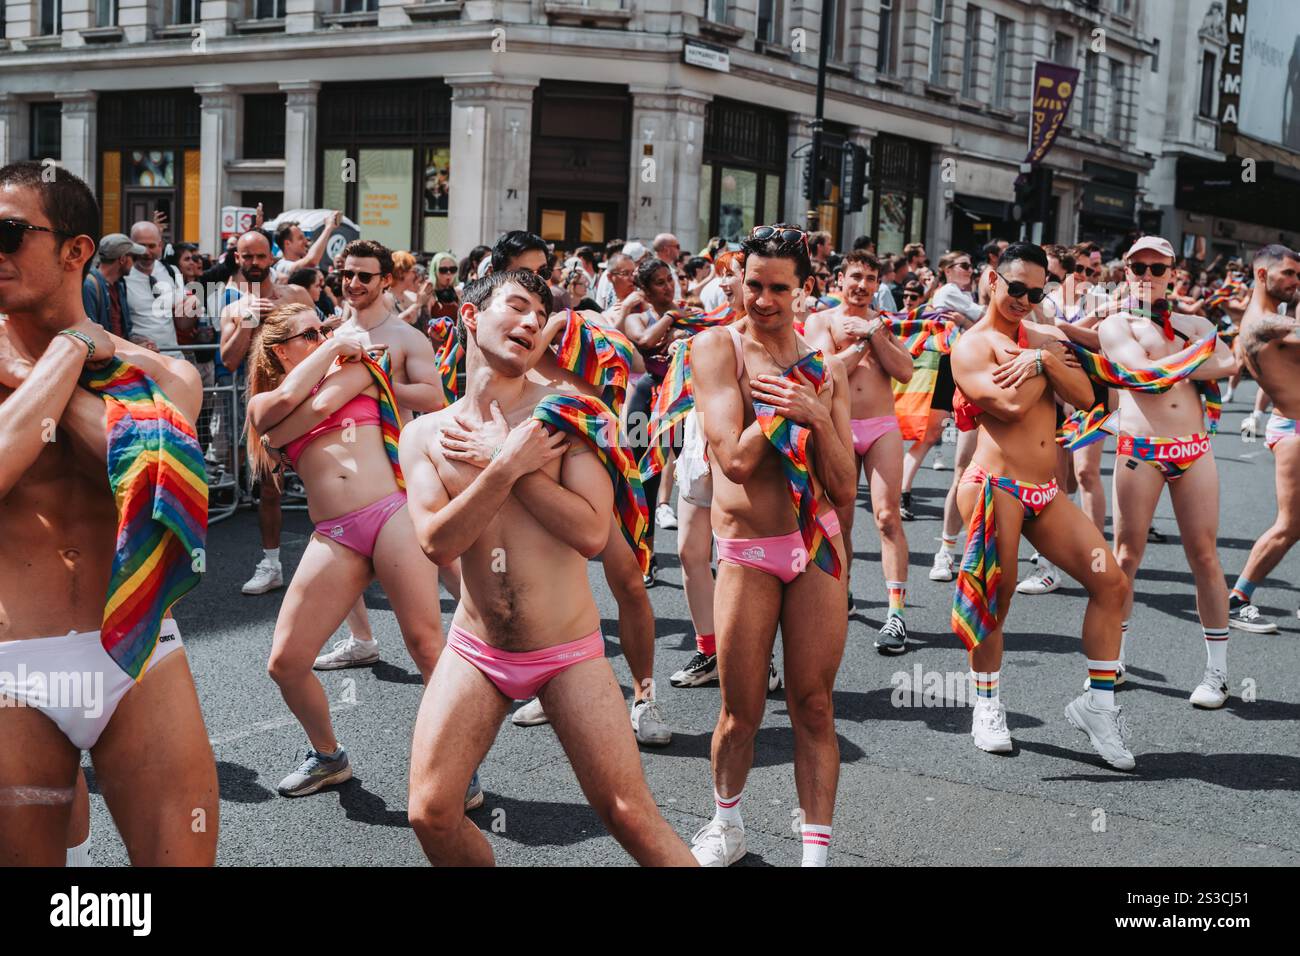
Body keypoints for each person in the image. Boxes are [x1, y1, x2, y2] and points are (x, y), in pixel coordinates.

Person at [399, 270, 696, 866]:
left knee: (629, 814)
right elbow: (436, 542)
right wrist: (504, 467)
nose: (532, 322)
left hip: (568, 652)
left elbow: (590, 532)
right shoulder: (425, 433)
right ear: (469, 315)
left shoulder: (570, 413)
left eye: (541, 314)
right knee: (430, 814)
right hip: (476, 649)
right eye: (516, 307)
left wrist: (513, 463)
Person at [0, 160, 218, 865]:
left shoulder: (160, 372)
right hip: (13, 667)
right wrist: (66, 361)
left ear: (77, 250)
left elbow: (150, 473)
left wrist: (51, 372)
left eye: (9, 234)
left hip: (138, 655)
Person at [689, 224, 856, 866]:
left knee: (814, 705)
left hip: (815, 543)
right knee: (742, 710)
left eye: (777, 288)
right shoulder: (716, 348)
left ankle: (814, 857)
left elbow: (842, 487)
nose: (761, 299)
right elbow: (731, 460)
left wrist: (816, 413)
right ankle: (726, 823)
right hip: (749, 552)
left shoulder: (826, 371)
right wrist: (783, 411)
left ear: (804, 290)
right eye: (751, 283)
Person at [245, 304, 445, 796]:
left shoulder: (358, 368)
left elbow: (296, 418)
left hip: (390, 513)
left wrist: (291, 417)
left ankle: (454, 765)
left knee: (426, 647)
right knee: (286, 663)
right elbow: (275, 416)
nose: (324, 336)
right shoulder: (269, 397)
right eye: (309, 334)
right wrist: (333, 347)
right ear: (278, 350)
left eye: (323, 330)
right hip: (335, 533)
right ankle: (328, 757)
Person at [948, 241, 1134, 768]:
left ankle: (1097, 706)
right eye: (1017, 289)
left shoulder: (1043, 338)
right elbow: (1004, 407)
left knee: (1111, 582)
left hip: (1044, 492)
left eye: (1037, 291)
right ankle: (987, 705)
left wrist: (1042, 356)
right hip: (993, 486)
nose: (1025, 300)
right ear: (991, 279)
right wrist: (1043, 362)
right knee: (998, 595)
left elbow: (1085, 396)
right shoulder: (972, 345)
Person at [1099, 236, 1236, 706]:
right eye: (1139, 267)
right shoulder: (1115, 323)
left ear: (1174, 274)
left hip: (1194, 449)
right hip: (1139, 449)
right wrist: (1196, 356)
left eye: (1158, 269)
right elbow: (1142, 376)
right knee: (1125, 556)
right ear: (1125, 270)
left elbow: (1230, 362)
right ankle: (1112, 657)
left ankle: (1217, 673)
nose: (1148, 276)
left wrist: (1170, 363)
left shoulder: (1195, 321)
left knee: (1204, 556)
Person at [804, 251, 915, 653]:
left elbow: (905, 371)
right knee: (843, 522)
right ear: (840, 279)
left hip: (883, 427)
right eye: (856, 277)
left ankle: (896, 614)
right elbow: (824, 371)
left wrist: (873, 334)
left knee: (887, 518)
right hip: (840, 429)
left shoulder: (879, 324)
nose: (863, 285)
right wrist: (858, 341)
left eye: (871, 279)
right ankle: (843, 590)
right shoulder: (822, 320)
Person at [218, 230, 316, 596]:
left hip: (308, 400)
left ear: (271, 257)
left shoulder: (296, 294)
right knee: (269, 489)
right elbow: (228, 361)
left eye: (260, 257)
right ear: (238, 259)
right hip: (265, 407)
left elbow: (320, 338)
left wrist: (287, 319)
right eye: (247, 257)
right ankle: (272, 564)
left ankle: (340, 560)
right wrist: (247, 322)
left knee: (325, 483)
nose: (255, 264)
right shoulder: (232, 308)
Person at [1227, 244, 1300, 632]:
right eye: (1288, 273)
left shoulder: (1273, 316)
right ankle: (1237, 600)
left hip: (1289, 425)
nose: (1294, 281)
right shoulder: (1265, 323)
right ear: (1261, 275)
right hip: (1294, 431)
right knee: (1289, 525)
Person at [125, 219, 194, 353]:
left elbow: (182, 323)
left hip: (172, 355)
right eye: (141, 246)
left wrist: (194, 305)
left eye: (151, 246)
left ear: (160, 246)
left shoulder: (171, 271)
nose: (146, 252)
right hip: (139, 359)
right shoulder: (122, 277)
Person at [82, 232, 143, 340]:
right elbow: (90, 335)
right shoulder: (90, 286)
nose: (134, 264)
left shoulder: (119, 285)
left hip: (121, 353)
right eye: (133, 258)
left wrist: (138, 342)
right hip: (108, 355)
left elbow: (125, 329)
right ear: (123, 259)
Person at [271, 212, 341, 280]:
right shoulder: (281, 266)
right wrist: (328, 228)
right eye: (300, 238)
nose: (306, 241)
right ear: (287, 243)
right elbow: (311, 261)